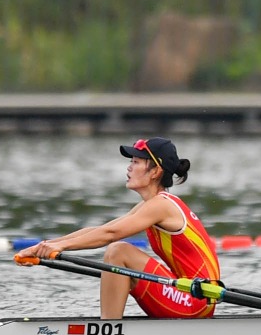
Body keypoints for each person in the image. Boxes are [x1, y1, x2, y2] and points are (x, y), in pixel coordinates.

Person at [16, 137, 219, 320]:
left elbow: (110, 235)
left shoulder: (161, 205)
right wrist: (46, 246)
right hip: (185, 294)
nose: (129, 168)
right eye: (131, 161)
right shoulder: (153, 204)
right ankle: (110, 326)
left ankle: (109, 328)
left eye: (136, 162)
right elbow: (104, 228)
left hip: (196, 299)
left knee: (118, 251)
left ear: (155, 171)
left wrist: (61, 247)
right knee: (118, 257)